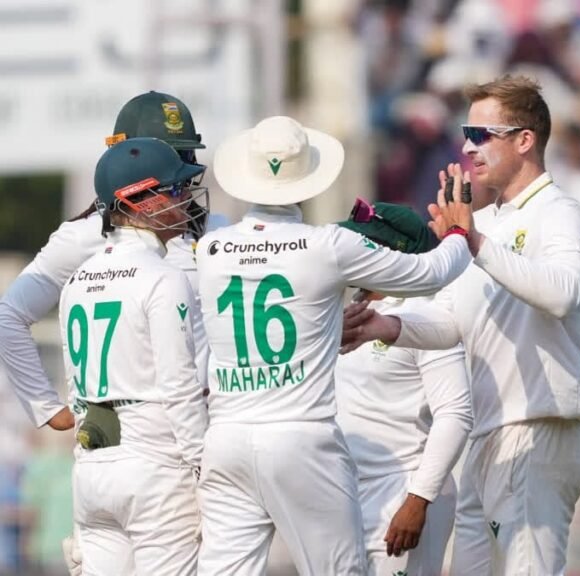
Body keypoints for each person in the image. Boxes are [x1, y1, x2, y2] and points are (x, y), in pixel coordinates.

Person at [194, 115, 475, 576]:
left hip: (225, 440)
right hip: (300, 438)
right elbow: (432, 273)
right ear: (305, 180)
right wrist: (459, 233)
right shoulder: (326, 244)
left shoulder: (210, 249)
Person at [342, 75, 580, 574]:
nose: (467, 147)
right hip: (488, 438)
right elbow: (450, 323)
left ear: (524, 140)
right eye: (466, 134)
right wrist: (384, 326)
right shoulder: (490, 222)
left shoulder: (559, 212)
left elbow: (563, 294)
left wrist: (473, 241)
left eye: (481, 134)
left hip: (537, 426)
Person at [0, 90, 208, 433]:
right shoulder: (84, 235)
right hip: (139, 435)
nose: (182, 176)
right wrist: (46, 408)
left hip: (206, 428)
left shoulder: (215, 230)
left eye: (185, 155)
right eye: (170, 156)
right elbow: (9, 315)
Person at [61, 137, 209, 575]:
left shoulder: (76, 280)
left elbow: (75, 391)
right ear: (137, 200)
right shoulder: (164, 277)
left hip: (93, 470)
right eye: (174, 189)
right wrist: (206, 471)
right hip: (155, 469)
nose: (185, 198)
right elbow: (180, 388)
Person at [335, 199, 473, 575]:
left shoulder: (424, 314)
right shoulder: (347, 309)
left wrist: (418, 500)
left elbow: (455, 414)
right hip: (350, 493)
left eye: (362, 245)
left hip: (402, 493)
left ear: (391, 254)